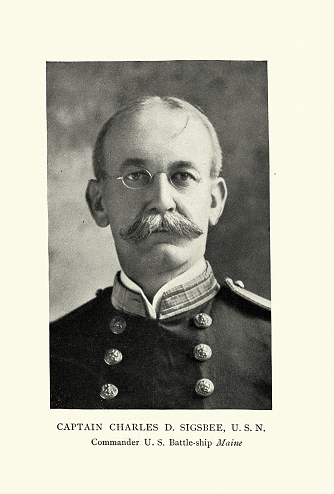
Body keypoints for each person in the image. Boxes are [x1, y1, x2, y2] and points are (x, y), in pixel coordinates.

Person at [50, 96, 271, 410]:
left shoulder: (277, 341)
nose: (162, 200)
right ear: (99, 203)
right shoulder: (52, 350)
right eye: (136, 177)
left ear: (214, 201)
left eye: (183, 176)